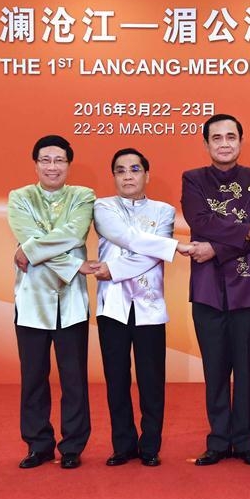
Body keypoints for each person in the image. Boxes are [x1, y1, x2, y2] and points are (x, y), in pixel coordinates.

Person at [181, 114, 250, 467]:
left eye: (231, 137)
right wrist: (247, 231)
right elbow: (201, 221)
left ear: (240, 141)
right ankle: (219, 440)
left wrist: (218, 248)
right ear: (206, 144)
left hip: (247, 287)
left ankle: (247, 441)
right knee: (215, 367)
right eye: (217, 137)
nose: (224, 143)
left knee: (248, 368)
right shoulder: (193, 180)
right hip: (207, 289)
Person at [92, 148, 194, 467]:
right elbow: (126, 237)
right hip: (113, 307)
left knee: (152, 380)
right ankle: (123, 445)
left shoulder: (163, 211)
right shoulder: (101, 207)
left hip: (150, 307)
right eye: (120, 170)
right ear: (114, 177)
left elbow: (151, 254)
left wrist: (115, 269)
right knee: (117, 379)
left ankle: (150, 445)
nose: (128, 176)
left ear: (146, 175)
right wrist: (174, 246)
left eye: (134, 169)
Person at [7, 134, 96, 469]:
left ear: (68, 164)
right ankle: (38, 444)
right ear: (36, 164)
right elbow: (27, 237)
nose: (52, 166)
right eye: (46, 160)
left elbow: (73, 235)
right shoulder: (20, 197)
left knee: (74, 378)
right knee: (33, 377)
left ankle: (72, 445)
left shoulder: (82, 196)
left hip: (71, 301)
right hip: (31, 300)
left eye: (59, 160)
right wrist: (74, 264)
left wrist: (30, 251)